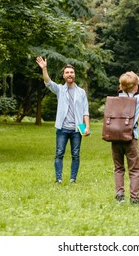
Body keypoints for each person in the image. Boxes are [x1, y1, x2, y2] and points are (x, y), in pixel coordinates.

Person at [36, 56, 90, 184]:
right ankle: (58, 179)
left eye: (71, 72)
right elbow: (48, 82)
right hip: (62, 128)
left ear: (74, 75)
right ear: (63, 75)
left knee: (75, 155)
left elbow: (85, 111)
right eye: (67, 72)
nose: (70, 74)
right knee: (59, 153)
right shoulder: (60, 89)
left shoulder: (81, 92)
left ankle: (73, 179)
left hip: (77, 129)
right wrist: (44, 69)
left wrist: (86, 127)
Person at [112, 71, 139, 204]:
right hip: (131, 137)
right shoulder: (136, 100)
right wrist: (138, 79)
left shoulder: (114, 100)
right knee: (134, 169)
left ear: (121, 86)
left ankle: (119, 195)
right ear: (135, 87)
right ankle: (134, 198)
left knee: (118, 168)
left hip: (115, 137)